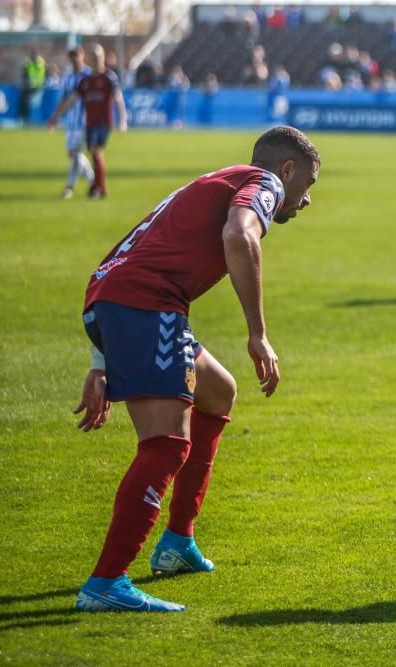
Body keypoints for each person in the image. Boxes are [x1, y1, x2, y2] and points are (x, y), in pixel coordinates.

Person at [72, 126, 320, 612]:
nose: (306, 200)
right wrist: (257, 333)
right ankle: (105, 582)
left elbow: (124, 259)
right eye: (307, 186)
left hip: (117, 300)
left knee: (218, 392)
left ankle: (177, 543)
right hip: (146, 306)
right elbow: (239, 234)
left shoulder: (219, 179)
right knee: (166, 446)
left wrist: (102, 357)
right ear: (287, 170)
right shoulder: (265, 183)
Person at [47, 44, 128, 199]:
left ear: (103, 58)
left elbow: (118, 98)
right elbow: (72, 99)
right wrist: (57, 116)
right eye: (94, 58)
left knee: (95, 151)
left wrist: (123, 119)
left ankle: (97, 187)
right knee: (91, 153)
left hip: (103, 123)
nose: (96, 60)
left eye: (99, 57)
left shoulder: (109, 77)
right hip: (89, 123)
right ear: (89, 60)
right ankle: (97, 186)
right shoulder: (86, 80)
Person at [58, 46, 96, 199]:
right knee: (74, 154)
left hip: (85, 122)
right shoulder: (68, 77)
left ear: (82, 56)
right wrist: (58, 116)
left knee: (75, 153)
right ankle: (94, 181)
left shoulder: (89, 74)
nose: (75, 60)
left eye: (77, 57)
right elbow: (65, 98)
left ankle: (70, 187)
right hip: (70, 122)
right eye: (72, 58)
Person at [19, 49, 46, 125]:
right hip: (29, 87)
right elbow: (24, 74)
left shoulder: (42, 63)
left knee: (34, 104)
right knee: (26, 102)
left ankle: (33, 120)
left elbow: (45, 74)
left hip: (39, 87)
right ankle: (25, 119)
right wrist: (26, 82)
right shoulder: (28, 63)